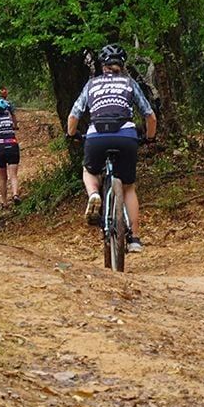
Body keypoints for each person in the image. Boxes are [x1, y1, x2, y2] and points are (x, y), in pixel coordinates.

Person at [67, 44, 158, 253]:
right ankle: (134, 238)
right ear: (122, 65)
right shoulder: (129, 83)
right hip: (126, 136)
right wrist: (150, 138)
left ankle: (93, 195)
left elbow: (74, 116)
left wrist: (71, 135)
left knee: (89, 171)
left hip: (96, 136)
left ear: (103, 66)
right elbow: (149, 116)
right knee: (128, 187)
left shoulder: (92, 85)